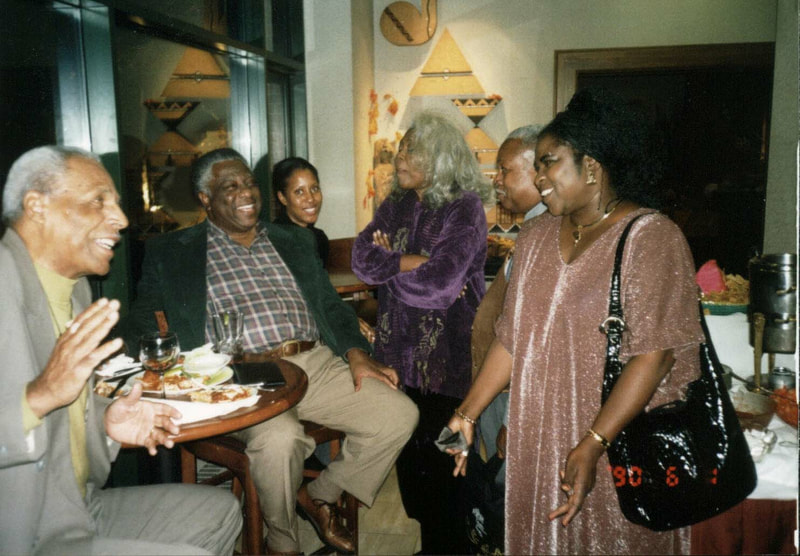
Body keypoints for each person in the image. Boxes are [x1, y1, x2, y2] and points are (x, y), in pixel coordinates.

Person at [448, 88, 705, 555]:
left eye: (548, 162)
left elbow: (657, 354)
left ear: (592, 166)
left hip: (617, 436)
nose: (537, 175)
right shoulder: (535, 236)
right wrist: (468, 412)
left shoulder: (651, 238)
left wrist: (593, 443)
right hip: (538, 432)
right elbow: (511, 340)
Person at [125, 147, 418, 555]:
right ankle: (282, 543)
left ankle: (318, 496)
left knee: (398, 413)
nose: (246, 192)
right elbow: (140, 324)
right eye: (230, 186)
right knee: (280, 440)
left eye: (248, 183)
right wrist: (161, 370)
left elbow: (331, 306)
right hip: (241, 375)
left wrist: (355, 352)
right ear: (205, 198)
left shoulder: (294, 240)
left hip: (314, 362)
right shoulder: (173, 251)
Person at [0, 146, 242, 555]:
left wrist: (107, 424)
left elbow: (68, 423)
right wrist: (40, 395)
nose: (123, 220)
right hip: (19, 530)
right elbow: (42, 400)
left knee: (219, 512)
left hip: (73, 510)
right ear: (37, 206)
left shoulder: (74, 288)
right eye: (98, 201)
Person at [351, 111, 493, 554]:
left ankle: (453, 546)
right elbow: (360, 259)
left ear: (439, 156)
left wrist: (392, 265)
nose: (400, 157)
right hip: (395, 356)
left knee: (446, 465)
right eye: (402, 148)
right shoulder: (395, 203)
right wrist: (410, 262)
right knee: (410, 470)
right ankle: (433, 544)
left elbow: (440, 286)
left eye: (411, 149)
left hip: (446, 363)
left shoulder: (463, 207)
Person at [471, 125, 545, 469]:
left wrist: (512, 421)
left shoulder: (546, 237)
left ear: (540, 171)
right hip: (498, 391)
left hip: (512, 399)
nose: (496, 180)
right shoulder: (533, 227)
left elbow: (534, 342)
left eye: (505, 170)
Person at [272, 157, 330, 267]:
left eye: (314, 189)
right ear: (282, 198)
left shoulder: (319, 238)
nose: (310, 198)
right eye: (299, 192)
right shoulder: (275, 240)